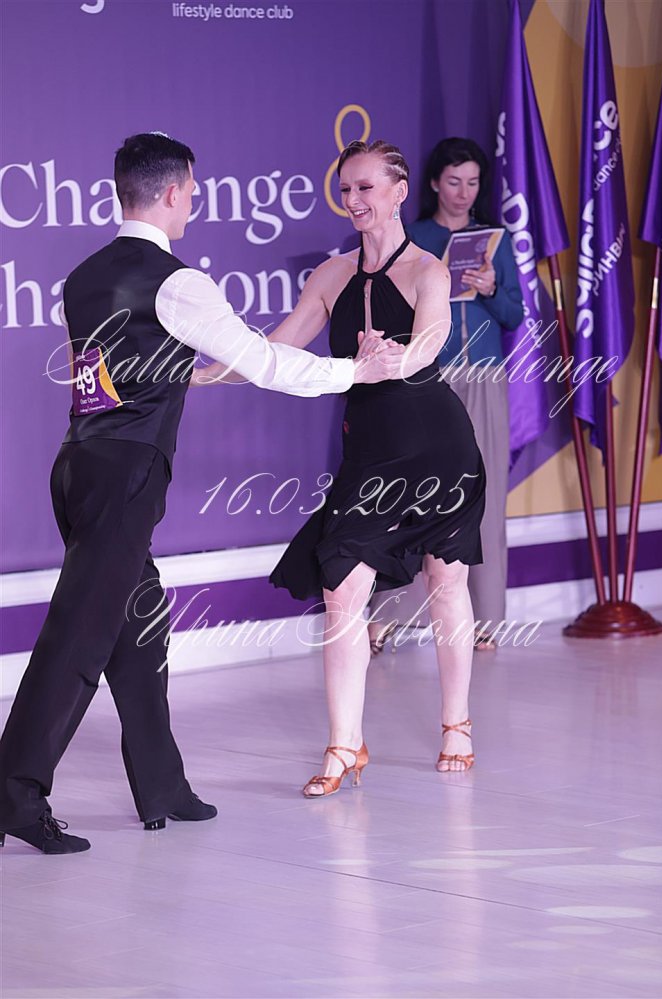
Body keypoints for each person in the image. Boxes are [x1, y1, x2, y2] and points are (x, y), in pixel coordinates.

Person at [0, 132, 402, 854]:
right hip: (125, 475)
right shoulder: (178, 282)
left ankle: (162, 786)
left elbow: (112, 374)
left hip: (80, 466)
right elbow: (266, 363)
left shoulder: (85, 275)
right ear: (173, 192)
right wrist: (355, 372)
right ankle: (15, 795)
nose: (195, 200)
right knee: (79, 637)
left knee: (140, 627)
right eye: (192, 189)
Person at [269, 140, 486, 793]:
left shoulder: (428, 270)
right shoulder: (330, 276)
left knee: (445, 581)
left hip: (438, 449)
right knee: (341, 589)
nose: (354, 200)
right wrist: (202, 372)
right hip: (369, 459)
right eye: (346, 189)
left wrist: (395, 359)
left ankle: (457, 723)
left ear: (398, 192)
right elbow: (278, 349)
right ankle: (344, 745)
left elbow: (431, 340)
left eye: (366, 188)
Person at [405, 137, 523, 650]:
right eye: (454, 181)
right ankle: (398, 615)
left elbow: (515, 315)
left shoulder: (495, 240)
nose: (463, 192)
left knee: (486, 494)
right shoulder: (414, 237)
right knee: (417, 492)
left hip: (485, 377)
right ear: (435, 183)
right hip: (430, 377)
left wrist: (491, 288)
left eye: (473, 182)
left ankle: (485, 618)